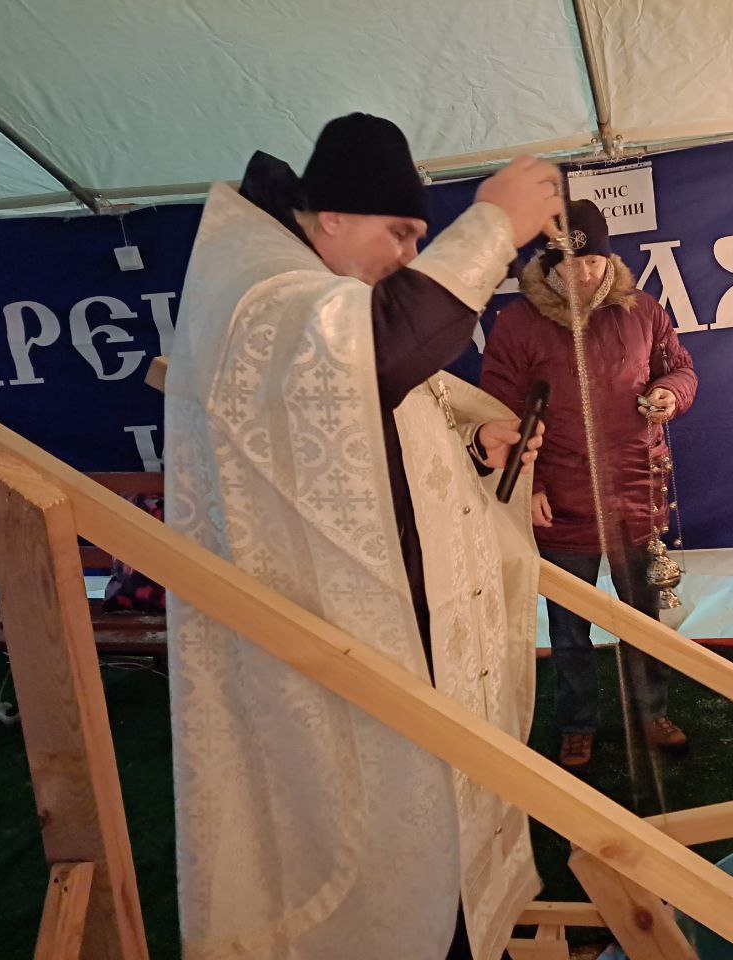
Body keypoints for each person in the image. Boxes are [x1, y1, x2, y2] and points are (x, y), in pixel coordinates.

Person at [164, 113, 562, 960]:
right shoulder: (262, 292)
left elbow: (375, 441)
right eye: (401, 233)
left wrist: (477, 442)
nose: (410, 256)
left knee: (441, 855)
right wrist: (494, 224)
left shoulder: (318, 298)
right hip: (327, 665)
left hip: (396, 645)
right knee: (377, 874)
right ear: (333, 217)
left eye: (420, 237)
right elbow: (378, 355)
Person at [480, 200, 697, 771]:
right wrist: (526, 486)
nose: (581, 275)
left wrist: (671, 394)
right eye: (568, 264)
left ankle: (651, 713)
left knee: (643, 618)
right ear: (548, 264)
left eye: (592, 262)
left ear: (608, 259)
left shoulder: (643, 311)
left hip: (635, 492)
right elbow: (499, 408)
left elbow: (681, 368)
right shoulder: (518, 323)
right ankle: (577, 725)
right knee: (568, 628)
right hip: (560, 499)